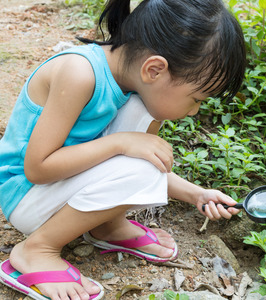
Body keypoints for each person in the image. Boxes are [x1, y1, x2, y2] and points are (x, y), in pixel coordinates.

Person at [0, 0, 246, 298]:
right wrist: (121, 143)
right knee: (138, 152)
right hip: (24, 196)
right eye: (197, 99)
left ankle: (107, 227)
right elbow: (37, 168)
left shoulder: (134, 88)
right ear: (154, 69)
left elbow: (130, 167)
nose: (194, 111)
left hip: (58, 188)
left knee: (143, 122)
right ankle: (38, 249)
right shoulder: (80, 74)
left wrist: (197, 194)